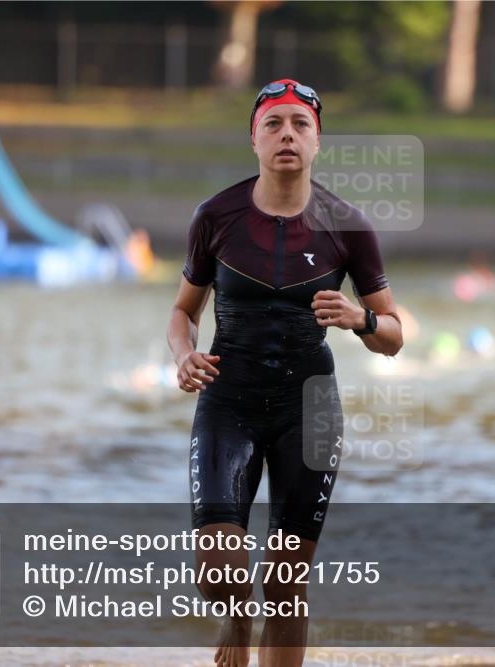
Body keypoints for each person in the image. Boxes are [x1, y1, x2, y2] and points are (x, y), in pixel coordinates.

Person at [167, 79, 403, 667]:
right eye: (273, 124)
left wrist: (360, 318)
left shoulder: (347, 226)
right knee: (219, 573)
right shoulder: (215, 216)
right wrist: (182, 354)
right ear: (254, 139)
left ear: (318, 141)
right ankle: (237, 617)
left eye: (301, 124)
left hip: (310, 410)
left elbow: (394, 338)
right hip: (229, 402)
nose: (287, 135)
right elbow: (182, 312)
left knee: (286, 583)